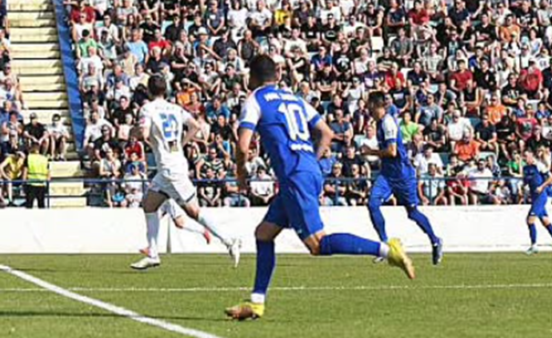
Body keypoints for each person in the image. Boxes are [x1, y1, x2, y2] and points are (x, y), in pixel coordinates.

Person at [226, 55, 415, 322]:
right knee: (264, 233)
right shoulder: (294, 98)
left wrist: (241, 173)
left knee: (317, 244)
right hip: (309, 170)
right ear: (276, 76)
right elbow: (326, 133)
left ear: (252, 77)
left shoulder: (254, 100)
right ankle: (256, 303)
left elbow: (243, 145)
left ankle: (388, 250)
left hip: (294, 177)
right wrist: (309, 163)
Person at [131, 75, 241, 270]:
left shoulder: (147, 109)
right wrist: (180, 144)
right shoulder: (175, 108)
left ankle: (229, 240)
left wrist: (135, 132)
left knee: (193, 212)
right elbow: (196, 126)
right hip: (172, 165)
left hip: (169, 169)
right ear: (165, 90)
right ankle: (153, 254)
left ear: (148, 91)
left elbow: (144, 134)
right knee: (149, 204)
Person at [361, 90, 444, 265]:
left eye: (369, 105)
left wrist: (371, 152)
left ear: (377, 106)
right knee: (372, 203)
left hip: (402, 175)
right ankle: (385, 245)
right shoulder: (380, 123)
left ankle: (435, 240)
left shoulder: (388, 123)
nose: (367, 109)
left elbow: (392, 152)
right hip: (387, 174)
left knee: (412, 213)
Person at [523, 148, 552, 255]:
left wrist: (542, 187)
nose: (525, 158)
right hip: (534, 197)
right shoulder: (525, 168)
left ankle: (534, 245)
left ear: (532, 156)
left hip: (540, 196)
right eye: (524, 156)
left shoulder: (538, 166)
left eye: (527, 156)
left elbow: (551, 177)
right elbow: (527, 182)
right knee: (545, 221)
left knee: (530, 220)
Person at [23, 142, 50, 209]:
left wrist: (23, 184)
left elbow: (24, 172)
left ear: (32, 148)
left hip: (31, 184)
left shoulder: (28, 158)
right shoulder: (44, 159)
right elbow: (48, 173)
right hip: (42, 184)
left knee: (29, 205)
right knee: (41, 205)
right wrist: (47, 183)